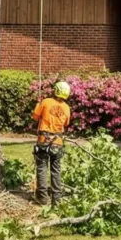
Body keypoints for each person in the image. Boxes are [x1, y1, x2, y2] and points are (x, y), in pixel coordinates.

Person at [32, 80, 71, 208]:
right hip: (58, 142)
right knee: (56, 170)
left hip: (44, 140)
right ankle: (57, 200)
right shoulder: (66, 107)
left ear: (56, 90)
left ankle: (42, 198)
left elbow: (35, 117)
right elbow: (66, 124)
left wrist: (39, 105)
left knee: (42, 168)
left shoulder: (45, 102)